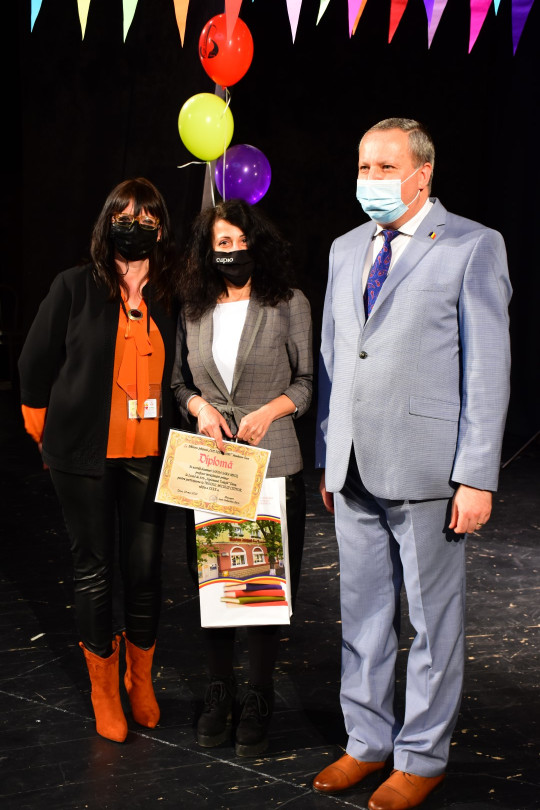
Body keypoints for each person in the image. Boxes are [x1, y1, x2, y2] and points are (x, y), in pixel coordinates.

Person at [313, 119, 511, 809]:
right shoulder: (345, 248)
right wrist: (329, 453)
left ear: (422, 174)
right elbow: (335, 358)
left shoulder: (472, 245)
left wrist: (476, 475)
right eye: (363, 166)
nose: (370, 179)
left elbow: (487, 368)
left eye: (385, 167)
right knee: (363, 615)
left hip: (429, 470)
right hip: (353, 466)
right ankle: (366, 742)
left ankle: (422, 757)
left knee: (432, 624)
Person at [18, 177, 179, 743]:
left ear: (161, 229)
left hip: (149, 454)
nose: (135, 226)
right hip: (82, 455)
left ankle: (140, 680)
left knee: (145, 570)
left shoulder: (172, 294)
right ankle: (104, 691)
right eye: (124, 217)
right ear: (108, 222)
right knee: (93, 570)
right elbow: (34, 363)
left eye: (147, 219)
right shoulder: (74, 286)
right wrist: (45, 433)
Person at [172, 198, 312, 756]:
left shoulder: (289, 303)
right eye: (222, 243)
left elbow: (306, 382)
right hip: (211, 467)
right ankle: (219, 691)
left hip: (272, 460)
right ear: (208, 252)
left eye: (240, 241)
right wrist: (201, 409)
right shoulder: (193, 307)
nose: (233, 251)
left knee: (262, 590)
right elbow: (179, 384)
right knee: (215, 587)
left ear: (258, 243)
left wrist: (269, 411)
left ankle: (258, 694)